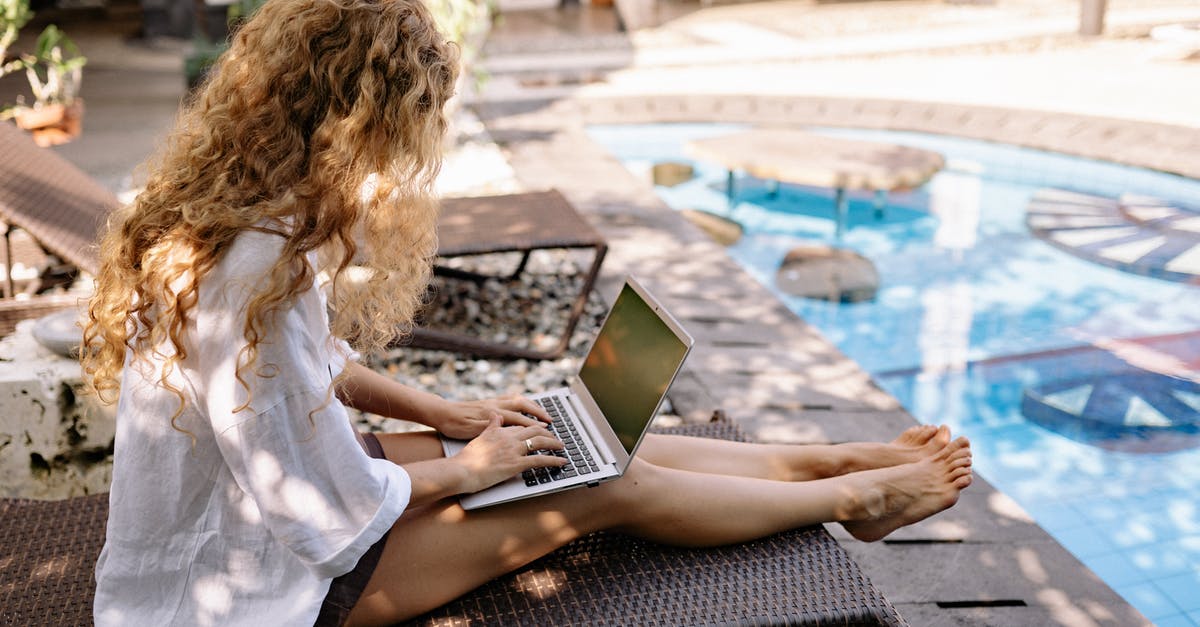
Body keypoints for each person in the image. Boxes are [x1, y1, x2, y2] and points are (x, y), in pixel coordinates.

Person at [83, 0, 973, 624]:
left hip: (257, 529)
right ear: (353, 128)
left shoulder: (244, 218)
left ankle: (827, 460)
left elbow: (307, 372)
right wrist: (468, 470)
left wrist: (448, 416)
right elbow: (320, 518)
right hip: (264, 597)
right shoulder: (254, 265)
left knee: (568, 435)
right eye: (404, 137)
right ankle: (857, 494)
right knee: (601, 487)